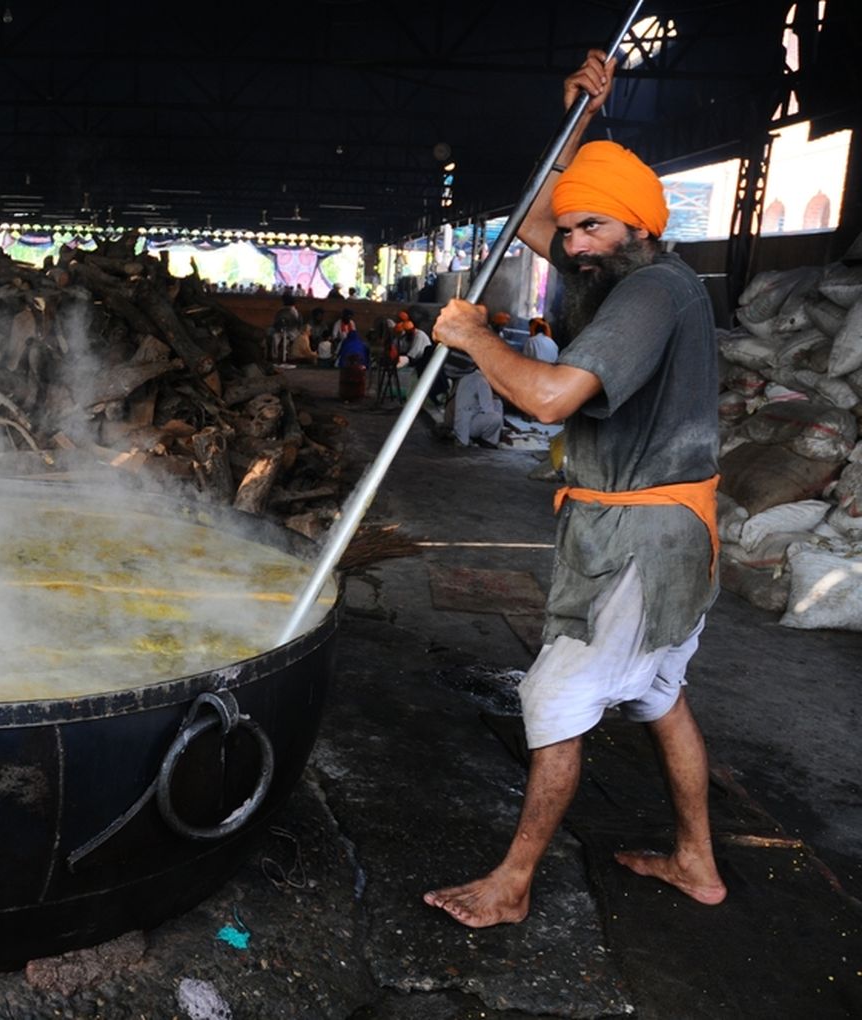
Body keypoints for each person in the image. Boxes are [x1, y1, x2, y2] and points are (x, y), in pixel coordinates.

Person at [424, 49, 726, 928]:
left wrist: (476, 339)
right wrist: (578, 122)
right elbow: (535, 218)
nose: (575, 242)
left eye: (592, 226)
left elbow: (553, 398)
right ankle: (698, 862)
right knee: (659, 697)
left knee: (554, 699)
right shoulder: (617, 271)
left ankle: (512, 885)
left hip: (642, 542)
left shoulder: (653, 293)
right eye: (574, 229)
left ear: (638, 225)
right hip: (668, 530)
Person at [449, 370, 503, 448]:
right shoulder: (482, 381)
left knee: (496, 403)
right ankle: (490, 442)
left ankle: (490, 439)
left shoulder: (466, 377)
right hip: (469, 428)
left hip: (460, 425)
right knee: (496, 417)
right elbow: (488, 409)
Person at [269, 293, 302, 366]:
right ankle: (275, 357)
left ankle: (288, 358)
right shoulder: (281, 311)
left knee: (287, 341)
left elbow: (298, 324)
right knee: (275, 337)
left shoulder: (295, 312)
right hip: (281, 331)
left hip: (293, 331)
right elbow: (276, 322)